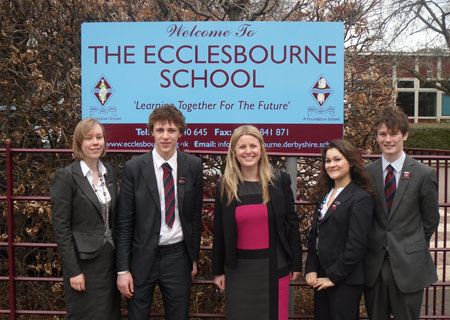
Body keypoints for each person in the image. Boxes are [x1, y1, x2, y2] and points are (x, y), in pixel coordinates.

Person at [115, 104, 203, 319]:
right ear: (151, 131)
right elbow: (125, 221)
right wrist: (122, 269)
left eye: (171, 130)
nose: (165, 136)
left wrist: (192, 257)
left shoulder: (193, 166)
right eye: (160, 130)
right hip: (141, 257)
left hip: (177, 257)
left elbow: (194, 216)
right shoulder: (134, 168)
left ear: (180, 133)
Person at [212, 125, 302, 320]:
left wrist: (296, 262)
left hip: (275, 268)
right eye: (242, 147)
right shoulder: (225, 186)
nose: (248, 151)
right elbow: (219, 232)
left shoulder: (279, 180)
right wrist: (218, 271)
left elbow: (291, 223)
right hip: (238, 272)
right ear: (234, 152)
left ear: (261, 149)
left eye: (253, 145)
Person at [364, 107, 440, 320]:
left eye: (394, 133)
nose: (388, 139)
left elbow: (431, 219)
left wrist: (411, 244)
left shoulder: (424, 174)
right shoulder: (366, 173)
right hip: (375, 267)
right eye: (383, 134)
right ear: (377, 137)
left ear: (405, 135)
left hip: (410, 267)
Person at [50, 118, 121, 320]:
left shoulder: (110, 172)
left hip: (109, 260)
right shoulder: (66, 177)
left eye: (99, 137)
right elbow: (61, 229)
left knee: (109, 315)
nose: (95, 142)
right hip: (84, 264)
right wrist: (73, 271)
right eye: (89, 138)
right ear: (79, 143)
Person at [305, 139, 375, 320]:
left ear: (351, 162)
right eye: (328, 161)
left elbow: (357, 244)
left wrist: (334, 277)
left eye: (337, 159)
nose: (331, 165)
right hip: (321, 278)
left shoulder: (361, 198)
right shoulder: (326, 194)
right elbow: (315, 235)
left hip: (345, 281)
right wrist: (311, 268)